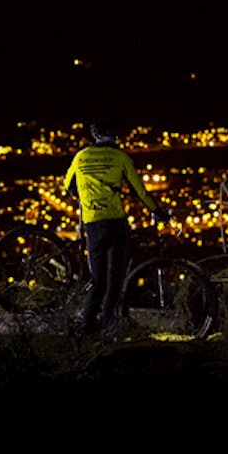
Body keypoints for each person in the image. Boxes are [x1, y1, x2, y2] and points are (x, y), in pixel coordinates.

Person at [63, 119, 169, 336]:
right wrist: (157, 211)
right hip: (115, 223)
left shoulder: (81, 156)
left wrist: (83, 196)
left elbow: (68, 186)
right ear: (115, 135)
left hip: (93, 224)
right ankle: (107, 326)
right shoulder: (121, 158)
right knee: (114, 281)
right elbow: (140, 192)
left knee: (98, 281)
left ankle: (86, 327)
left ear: (94, 135)